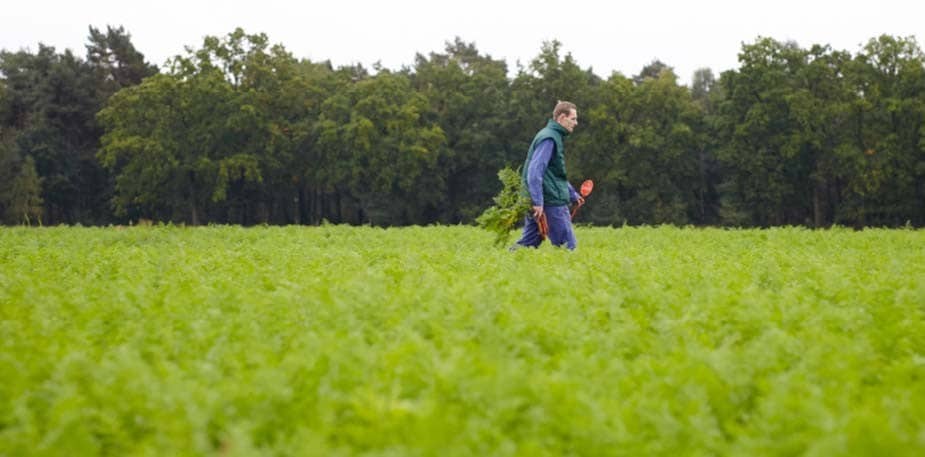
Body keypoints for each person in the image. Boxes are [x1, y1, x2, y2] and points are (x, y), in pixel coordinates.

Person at [513, 101, 583, 250]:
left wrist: (573, 194)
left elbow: (555, 175)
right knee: (568, 246)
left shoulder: (553, 136)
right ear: (562, 118)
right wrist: (538, 202)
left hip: (540, 199)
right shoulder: (549, 138)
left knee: (528, 244)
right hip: (550, 201)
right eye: (573, 119)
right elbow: (534, 172)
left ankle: (503, 265)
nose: (576, 123)